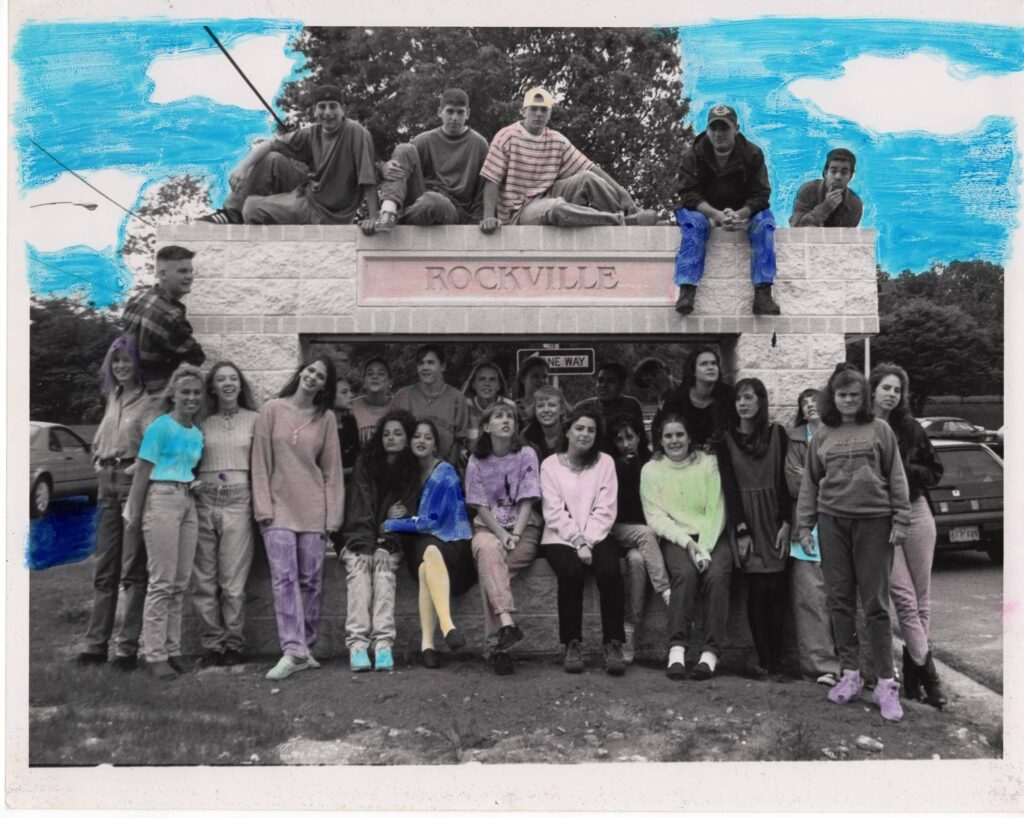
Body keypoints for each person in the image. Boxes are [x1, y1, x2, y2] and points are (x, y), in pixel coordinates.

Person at [796, 366, 912, 722]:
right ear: (833, 398)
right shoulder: (823, 434)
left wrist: (901, 518)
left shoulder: (880, 429)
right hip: (833, 522)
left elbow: (895, 474)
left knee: (875, 604)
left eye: (854, 395)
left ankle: (886, 684)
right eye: (841, 394)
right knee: (840, 601)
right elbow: (811, 484)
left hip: (875, 523)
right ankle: (850, 674)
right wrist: (805, 526)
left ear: (864, 398)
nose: (848, 400)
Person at [251, 356, 343, 681]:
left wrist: (333, 516)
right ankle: (292, 650)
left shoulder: (326, 418)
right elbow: (259, 464)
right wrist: (263, 508)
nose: (313, 377)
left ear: (325, 385)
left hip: (313, 510)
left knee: (311, 582)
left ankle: (306, 646)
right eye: (311, 370)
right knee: (284, 579)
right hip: (277, 509)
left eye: (321, 376)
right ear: (301, 372)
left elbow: (332, 470)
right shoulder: (271, 410)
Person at [122, 364, 206, 681]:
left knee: (180, 582)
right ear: (173, 393)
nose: (191, 397)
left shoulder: (196, 432)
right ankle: (154, 653)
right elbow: (143, 470)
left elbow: (185, 467)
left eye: (196, 392)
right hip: (161, 500)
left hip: (187, 501)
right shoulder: (160, 426)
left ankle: (173, 651)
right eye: (185, 392)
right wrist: (133, 512)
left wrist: (192, 484)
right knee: (162, 581)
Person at [870, 363, 946, 708]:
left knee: (922, 599)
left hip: (916, 512)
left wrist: (904, 467)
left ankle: (914, 678)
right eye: (886, 387)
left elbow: (935, 471)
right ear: (873, 390)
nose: (892, 394)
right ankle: (931, 679)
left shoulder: (911, 428)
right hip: (882, 519)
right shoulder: (862, 427)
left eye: (897, 390)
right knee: (904, 599)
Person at [76, 335, 154, 670]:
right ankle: (95, 646)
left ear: (138, 363)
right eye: (116, 360)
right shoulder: (114, 396)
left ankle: (126, 650)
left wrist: (133, 469)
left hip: (132, 483)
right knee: (104, 569)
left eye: (127, 360)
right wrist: (98, 460)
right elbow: (101, 438)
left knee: (133, 570)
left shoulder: (149, 400)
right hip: (106, 484)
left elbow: (153, 446)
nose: (121, 366)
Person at [479, 86, 655, 232]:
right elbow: (492, 179)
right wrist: (488, 217)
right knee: (557, 208)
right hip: (518, 211)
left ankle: (634, 216)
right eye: (534, 109)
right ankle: (619, 221)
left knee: (587, 178)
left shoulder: (556, 139)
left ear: (549, 114)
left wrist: (622, 192)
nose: (538, 114)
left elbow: (591, 168)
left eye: (543, 110)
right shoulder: (507, 137)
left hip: (548, 193)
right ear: (524, 111)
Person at [200, 84, 378, 226]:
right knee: (272, 159)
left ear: (343, 110)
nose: (328, 113)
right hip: (309, 194)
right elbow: (270, 144)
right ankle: (231, 214)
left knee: (252, 207)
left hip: (326, 213)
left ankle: (250, 213)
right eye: (322, 107)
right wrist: (241, 168)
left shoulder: (356, 132)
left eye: (333, 107)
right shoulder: (312, 133)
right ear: (315, 111)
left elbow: (368, 178)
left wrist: (373, 217)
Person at [640, 410, 730, 681]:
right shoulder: (651, 469)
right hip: (677, 537)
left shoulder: (708, 463)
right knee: (684, 575)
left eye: (680, 434)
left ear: (690, 437)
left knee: (717, 575)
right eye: (668, 436)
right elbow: (654, 516)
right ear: (660, 440)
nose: (674, 440)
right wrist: (688, 543)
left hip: (713, 536)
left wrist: (705, 547)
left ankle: (709, 655)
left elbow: (717, 506)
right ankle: (677, 651)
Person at [540, 407, 626, 675]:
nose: (585, 434)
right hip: (559, 536)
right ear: (567, 431)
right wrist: (577, 540)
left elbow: (606, 507)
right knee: (570, 573)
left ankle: (613, 643)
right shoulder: (550, 465)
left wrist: (587, 539)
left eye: (591, 429)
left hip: (598, 534)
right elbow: (553, 511)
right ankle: (572, 643)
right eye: (579, 428)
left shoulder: (605, 463)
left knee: (611, 572)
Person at [384, 420, 476, 668]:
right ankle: (442, 635)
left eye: (427, 437)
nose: (421, 441)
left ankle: (434, 638)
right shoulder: (408, 473)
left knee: (429, 557)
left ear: (435, 444)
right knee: (427, 558)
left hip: (454, 549)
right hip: (422, 549)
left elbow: (431, 522)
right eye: (417, 436)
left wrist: (392, 524)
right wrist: (393, 513)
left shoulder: (444, 472)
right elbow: (400, 508)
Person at [674, 104, 780, 316]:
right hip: (704, 210)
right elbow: (688, 194)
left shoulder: (753, 154)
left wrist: (740, 215)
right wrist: (716, 215)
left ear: (736, 129)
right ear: (707, 129)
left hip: (742, 211)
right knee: (693, 223)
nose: (718, 134)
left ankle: (763, 292)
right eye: (714, 128)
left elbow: (761, 194)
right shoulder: (693, 154)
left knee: (765, 222)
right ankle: (687, 289)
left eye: (724, 128)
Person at [718, 378, 792, 681]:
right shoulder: (725, 439)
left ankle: (779, 660)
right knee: (758, 590)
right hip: (746, 520)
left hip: (775, 519)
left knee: (777, 589)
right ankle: (764, 661)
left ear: (761, 401)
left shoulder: (778, 434)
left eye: (748, 398)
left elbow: (787, 482)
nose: (742, 404)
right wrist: (741, 529)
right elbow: (729, 488)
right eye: (738, 399)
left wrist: (787, 522)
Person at [340, 410, 420, 673]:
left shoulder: (411, 469)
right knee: (360, 569)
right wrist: (366, 544)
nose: (391, 438)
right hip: (359, 537)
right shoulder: (366, 463)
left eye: (398, 433)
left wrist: (386, 540)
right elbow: (358, 506)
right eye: (386, 433)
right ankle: (358, 645)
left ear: (407, 438)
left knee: (384, 572)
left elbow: (408, 512)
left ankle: (383, 644)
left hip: (392, 541)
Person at [465, 403, 542, 675]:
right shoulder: (476, 460)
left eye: (510, 416)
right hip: (488, 530)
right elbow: (479, 505)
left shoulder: (526, 454)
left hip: (524, 530)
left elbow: (528, 499)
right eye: (498, 416)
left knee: (491, 571)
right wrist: (500, 533)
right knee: (488, 551)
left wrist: (515, 534)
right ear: (487, 427)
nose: (505, 420)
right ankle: (506, 625)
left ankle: (497, 646)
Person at [192, 361, 259, 668]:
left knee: (232, 581)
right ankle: (212, 645)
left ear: (240, 384)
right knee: (205, 579)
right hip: (204, 498)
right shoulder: (201, 421)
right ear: (213, 387)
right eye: (221, 379)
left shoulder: (255, 420)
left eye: (233, 378)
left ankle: (233, 643)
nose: (228, 383)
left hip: (238, 500)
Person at [360, 88, 489, 233]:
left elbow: (483, 190)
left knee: (434, 201)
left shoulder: (479, 144)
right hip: (419, 200)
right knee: (404, 148)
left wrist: (475, 227)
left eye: (460, 112)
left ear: (468, 114)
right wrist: (382, 168)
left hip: (452, 210)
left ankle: (400, 221)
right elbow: (403, 167)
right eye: (450, 111)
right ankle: (388, 211)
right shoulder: (424, 140)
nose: (454, 117)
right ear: (440, 111)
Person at [603, 413, 671, 664]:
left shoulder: (650, 464)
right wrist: (623, 466)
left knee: (637, 562)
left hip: (642, 538)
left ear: (639, 437)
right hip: (617, 529)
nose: (625, 444)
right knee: (645, 534)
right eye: (619, 439)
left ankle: (628, 631)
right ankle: (666, 592)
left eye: (629, 437)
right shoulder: (609, 466)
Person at [784, 389, 841, 687]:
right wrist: (823, 478)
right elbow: (794, 484)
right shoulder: (794, 439)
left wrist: (811, 476)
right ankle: (822, 668)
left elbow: (846, 478)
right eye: (804, 403)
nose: (809, 406)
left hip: (839, 528)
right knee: (810, 603)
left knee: (840, 600)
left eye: (814, 401)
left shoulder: (841, 434)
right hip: (804, 531)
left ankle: (853, 665)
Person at [121, 245, 205, 394]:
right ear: (163, 274)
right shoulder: (170, 314)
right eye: (182, 271)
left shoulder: (135, 300)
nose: (190, 276)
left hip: (129, 392)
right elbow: (195, 356)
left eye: (191, 271)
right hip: (157, 398)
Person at [389, 344, 468, 465]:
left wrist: (446, 471)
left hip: (442, 470)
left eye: (431, 362)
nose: (425, 367)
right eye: (421, 363)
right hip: (408, 470)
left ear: (442, 366)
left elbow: (458, 441)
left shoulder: (457, 398)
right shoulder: (402, 396)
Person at [662, 345, 734, 448]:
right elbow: (664, 430)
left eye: (714, 363)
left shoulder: (728, 395)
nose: (710, 367)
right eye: (704, 364)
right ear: (693, 371)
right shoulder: (676, 399)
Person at [789, 148, 863, 228]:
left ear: (851, 177)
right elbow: (797, 229)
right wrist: (826, 207)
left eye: (844, 172)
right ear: (825, 173)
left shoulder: (854, 204)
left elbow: (848, 238)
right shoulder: (807, 190)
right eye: (833, 171)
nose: (838, 177)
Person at [462, 359, 515, 453]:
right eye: (482, 379)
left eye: (492, 380)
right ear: (473, 384)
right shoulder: (464, 406)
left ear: (499, 385)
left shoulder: (509, 406)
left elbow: (516, 441)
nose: (487, 384)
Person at [574, 361, 644, 426]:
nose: (603, 385)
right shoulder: (583, 408)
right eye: (600, 380)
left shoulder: (631, 406)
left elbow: (640, 435)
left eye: (611, 381)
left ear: (622, 386)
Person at [351, 356, 393, 444]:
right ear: (364, 382)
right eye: (370, 374)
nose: (375, 376)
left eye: (381, 374)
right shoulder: (351, 406)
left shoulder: (399, 405)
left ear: (390, 382)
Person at [520, 385, 568, 462]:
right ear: (535, 411)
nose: (546, 410)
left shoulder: (571, 434)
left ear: (562, 409)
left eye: (552, 405)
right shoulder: (526, 436)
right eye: (540, 406)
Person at [512, 355, 550, 425]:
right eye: (536, 376)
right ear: (522, 379)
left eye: (545, 376)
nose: (541, 380)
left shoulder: (553, 407)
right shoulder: (512, 409)